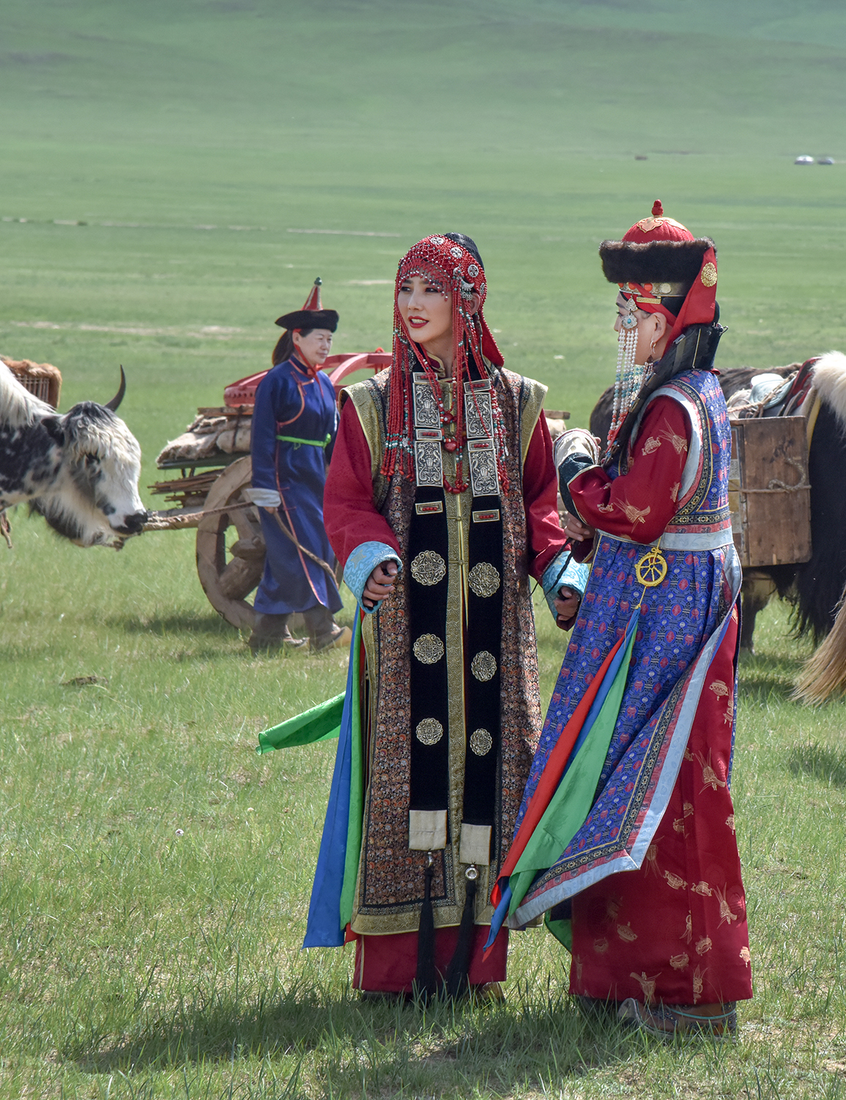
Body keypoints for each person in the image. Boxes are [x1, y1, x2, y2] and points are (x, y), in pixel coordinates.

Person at [306, 233, 586, 997]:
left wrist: (560, 570)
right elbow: (346, 503)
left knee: (492, 789)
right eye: (406, 290)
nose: (415, 305)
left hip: (498, 639)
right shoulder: (368, 405)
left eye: (432, 290)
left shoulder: (518, 401)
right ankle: (399, 974)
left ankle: (477, 966)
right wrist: (372, 558)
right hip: (403, 636)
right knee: (405, 789)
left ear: (468, 299)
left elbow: (541, 505)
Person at [496, 203, 751, 1037]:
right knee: (661, 791)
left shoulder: (674, 408)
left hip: (666, 620)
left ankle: (676, 991)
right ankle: (636, 982)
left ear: (672, 315)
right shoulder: (697, 391)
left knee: (654, 795)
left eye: (636, 311)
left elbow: (639, 512)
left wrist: (575, 480)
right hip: (681, 610)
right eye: (622, 309)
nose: (624, 324)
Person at [246, 279, 349, 654]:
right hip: (283, 479)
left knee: (287, 554)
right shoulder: (276, 382)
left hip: (314, 478)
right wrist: (264, 488)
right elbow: (261, 439)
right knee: (305, 548)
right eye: (319, 338)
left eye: (329, 340)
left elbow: (331, 438)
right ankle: (323, 629)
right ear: (297, 338)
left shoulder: (324, 384)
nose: (326, 346)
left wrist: (341, 479)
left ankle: (266, 636)